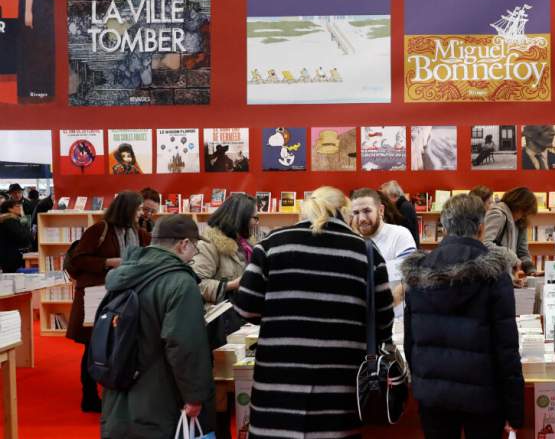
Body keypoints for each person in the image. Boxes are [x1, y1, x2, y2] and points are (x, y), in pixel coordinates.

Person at [233, 186, 395, 439]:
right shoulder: (367, 253)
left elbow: (245, 307)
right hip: (337, 398)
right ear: (345, 212)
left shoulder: (272, 244)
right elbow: (383, 324)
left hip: (276, 397)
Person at [402, 194, 524, 438]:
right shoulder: (495, 273)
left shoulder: (418, 271)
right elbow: (506, 347)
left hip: (433, 394)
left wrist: (422, 383)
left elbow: (410, 340)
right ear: (480, 229)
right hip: (484, 395)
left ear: (444, 228)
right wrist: (515, 408)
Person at [100, 215, 215, 438]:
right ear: (184, 244)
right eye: (196, 247)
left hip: (117, 395)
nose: (195, 254)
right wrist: (194, 395)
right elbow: (184, 345)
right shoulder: (180, 282)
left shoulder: (124, 276)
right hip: (160, 398)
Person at [66, 190, 150, 412]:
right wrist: (108, 262)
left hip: (124, 295)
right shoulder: (100, 229)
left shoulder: (138, 233)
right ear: (127, 209)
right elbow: (79, 259)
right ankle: (89, 396)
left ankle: (113, 391)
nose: (142, 213)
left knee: (116, 343)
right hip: (96, 295)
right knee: (94, 345)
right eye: (139, 209)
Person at [190, 194, 256, 342]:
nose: (256, 222)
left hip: (242, 318)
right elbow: (196, 284)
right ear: (241, 218)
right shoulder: (209, 244)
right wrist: (233, 284)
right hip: (221, 324)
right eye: (254, 218)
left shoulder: (247, 246)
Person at [351, 188, 416, 318]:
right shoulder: (353, 241)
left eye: (367, 211)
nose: (361, 218)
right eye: (356, 213)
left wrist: (379, 311)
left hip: (396, 321)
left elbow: (409, 279)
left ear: (381, 210)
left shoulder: (400, 235)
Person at [483, 187, 536, 274]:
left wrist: (531, 270)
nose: (523, 216)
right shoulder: (498, 214)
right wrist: (511, 256)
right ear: (518, 205)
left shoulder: (520, 222)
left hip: (507, 276)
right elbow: (484, 244)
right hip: (492, 274)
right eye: (523, 212)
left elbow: (522, 252)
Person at [381, 180, 420, 246]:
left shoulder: (405, 207)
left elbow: (404, 232)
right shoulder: (400, 206)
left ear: (394, 195)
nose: (385, 201)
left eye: (386, 198)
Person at [0, 200, 30, 272]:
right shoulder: (10, 221)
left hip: (7, 256)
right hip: (11, 257)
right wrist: (24, 219)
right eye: (17, 206)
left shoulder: (6, 220)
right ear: (10, 209)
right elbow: (23, 236)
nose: (20, 208)